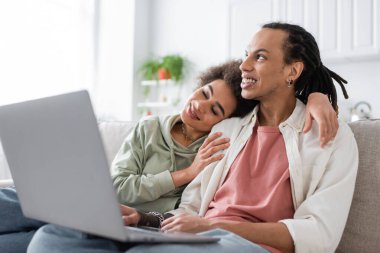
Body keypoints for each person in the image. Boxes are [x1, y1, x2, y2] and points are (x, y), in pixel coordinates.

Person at [27, 22, 358, 253]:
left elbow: (317, 237)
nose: (243, 64)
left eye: (259, 56)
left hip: (246, 245)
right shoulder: (227, 129)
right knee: (54, 237)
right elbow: (189, 209)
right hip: (196, 239)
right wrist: (142, 219)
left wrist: (213, 228)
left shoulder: (329, 137)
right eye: (246, 53)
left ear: (292, 71)